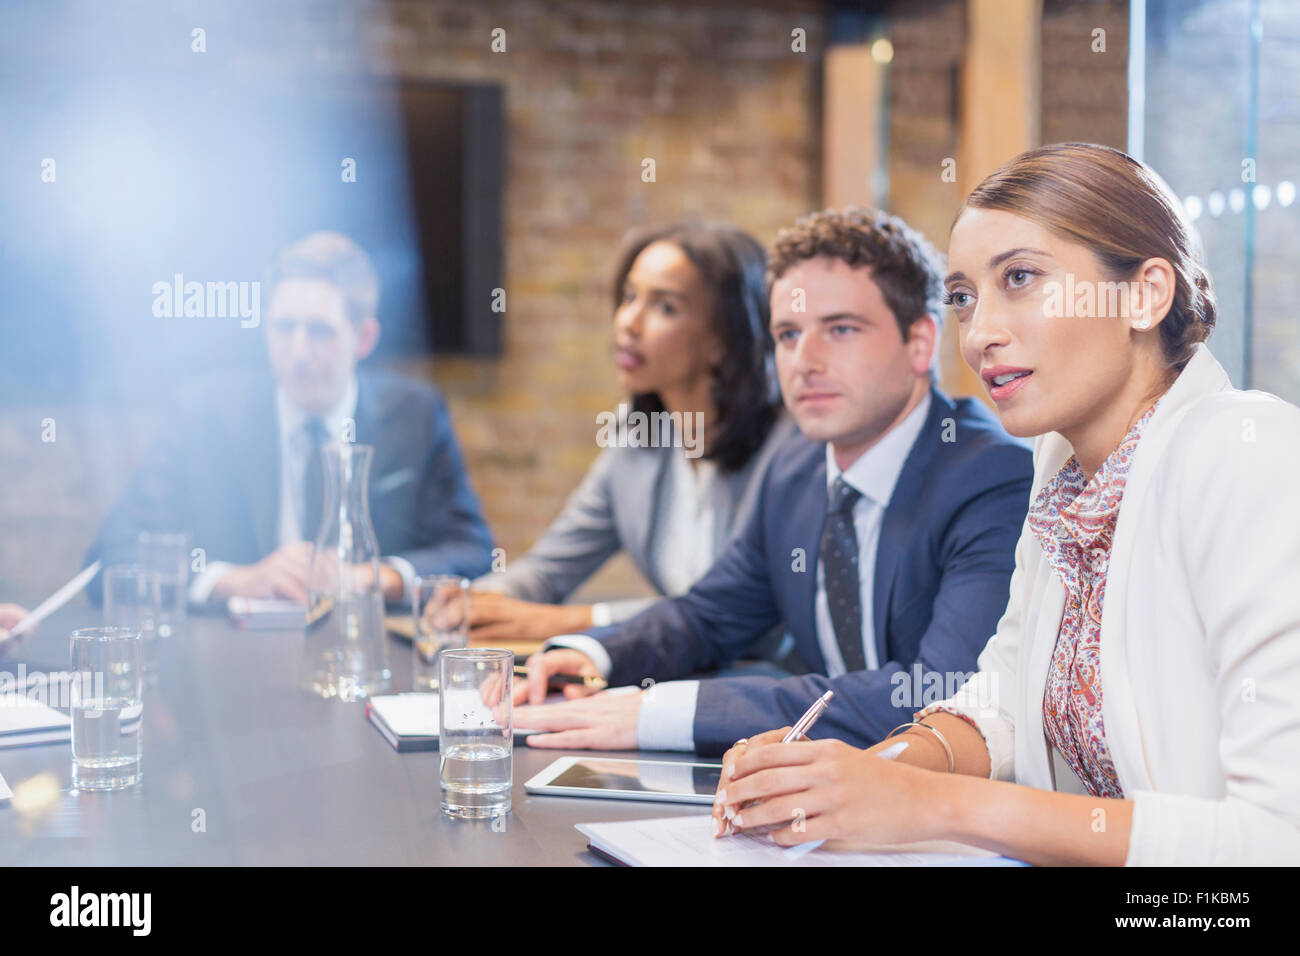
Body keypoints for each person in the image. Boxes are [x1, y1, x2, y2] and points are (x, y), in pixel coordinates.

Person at [712, 143, 1300, 866]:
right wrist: (858, 778)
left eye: (1020, 278)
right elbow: (1000, 708)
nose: (981, 334)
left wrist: (931, 804)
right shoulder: (1065, 473)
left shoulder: (1249, 455)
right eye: (964, 297)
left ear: (1145, 295)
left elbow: (1279, 840)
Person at [509, 207, 1034, 755]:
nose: (804, 361)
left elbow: (939, 694)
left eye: (840, 330)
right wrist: (593, 655)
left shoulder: (990, 478)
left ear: (920, 342)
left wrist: (661, 712)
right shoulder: (795, 471)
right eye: (788, 334)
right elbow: (708, 615)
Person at [87, 231, 494, 606]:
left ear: (364, 338)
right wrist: (235, 580)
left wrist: (372, 577)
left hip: (367, 646)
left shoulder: (415, 416)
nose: (298, 352)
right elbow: (112, 555)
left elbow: (475, 552)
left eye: (320, 331)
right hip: (234, 649)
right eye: (284, 328)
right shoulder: (203, 413)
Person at [467, 222, 797, 643]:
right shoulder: (637, 436)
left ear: (723, 338)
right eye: (629, 297)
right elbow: (551, 567)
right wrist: (480, 601)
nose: (628, 323)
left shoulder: (788, 447)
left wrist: (584, 619)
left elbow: (747, 616)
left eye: (665, 307)